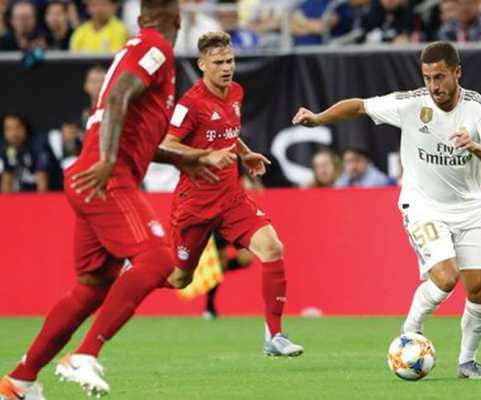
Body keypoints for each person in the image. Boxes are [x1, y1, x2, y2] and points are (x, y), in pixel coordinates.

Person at [0, 1, 210, 398]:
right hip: (105, 176)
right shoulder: (156, 48)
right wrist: (109, 160)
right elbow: (116, 98)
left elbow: (137, 132)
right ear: (176, 19)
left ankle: (19, 381)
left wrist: (187, 159)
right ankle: (84, 354)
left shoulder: (143, 48)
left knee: (91, 287)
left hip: (90, 175)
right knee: (159, 259)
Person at [293, 41, 481, 379]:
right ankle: (411, 330)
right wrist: (319, 119)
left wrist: (475, 145)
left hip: (468, 210)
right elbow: (359, 106)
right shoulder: (412, 104)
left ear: (457, 72)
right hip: (422, 205)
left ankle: (467, 361)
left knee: (479, 289)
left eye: (440, 77)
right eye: (427, 78)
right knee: (446, 277)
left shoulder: (480, 110)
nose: (434, 86)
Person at [162, 30, 304, 356]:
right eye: (218, 62)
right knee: (179, 279)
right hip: (195, 204)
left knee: (272, 248)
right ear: (201, 65)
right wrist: (206, 156)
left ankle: (275, 336)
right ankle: (135, 271)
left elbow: (228, 132)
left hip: (231, 198)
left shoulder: (236, 92)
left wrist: (245, 153)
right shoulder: (190, 104)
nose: (226, 67)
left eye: (230, 60)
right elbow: (167, 146)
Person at [0, 113, 50, 192]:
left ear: (25, 128)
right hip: (22, 196)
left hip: (51, 195)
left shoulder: (38, 147)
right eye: (8, 129)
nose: (13, 133)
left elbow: (42, 183)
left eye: (17, 127)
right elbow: (6, 180)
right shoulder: (6, 149)